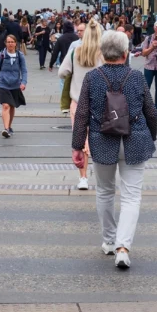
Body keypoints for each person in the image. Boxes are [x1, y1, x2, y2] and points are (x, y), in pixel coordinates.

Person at [71, 31, 157, 270]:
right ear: (125, 53)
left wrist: (77, 146)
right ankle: (123, 248)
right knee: (131, 196)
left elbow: (81, 114)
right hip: (135, 140)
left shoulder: (92, 78)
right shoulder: (137, 77)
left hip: (102, 141)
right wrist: (151, 136)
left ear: (102, 52)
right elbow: (151, 112)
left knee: (105, 191)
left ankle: (109, 241)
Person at [60, 20, 103, 190]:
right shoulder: (103, 54)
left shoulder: (75, 51)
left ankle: (83, 178)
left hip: (77, 103)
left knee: (81, 140)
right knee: (99, 139)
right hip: (99, 103)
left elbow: (62, 72)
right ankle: (101, 177)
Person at [0, 34, 28, 138]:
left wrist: (23, 82)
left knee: (12, 106)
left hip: (15, 84)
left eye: (12, 42)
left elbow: (24, 70)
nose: (10, 44)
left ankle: (9, 126)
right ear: (5, 43)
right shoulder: (1, 55)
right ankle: (6, 128)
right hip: (3, 83)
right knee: (6, 105)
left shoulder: (20, 55)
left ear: (15, 43)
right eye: (8, 42)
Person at [134, 20, 157, 114]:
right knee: (146, 87)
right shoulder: (149, 38)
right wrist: (152, 47)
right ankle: (145, 108)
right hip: (149, 66)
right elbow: (143, 53)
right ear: (154, 28)